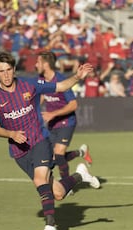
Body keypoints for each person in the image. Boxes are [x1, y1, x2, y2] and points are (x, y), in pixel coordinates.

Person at [0, 51, 100, 230]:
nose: (5, 75)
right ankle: (81, 175)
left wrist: (78, 76)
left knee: (40, 180)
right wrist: (11, 134)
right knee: (58, 193)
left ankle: (50, 227)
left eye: (8, 70)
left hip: (40, 140)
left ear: (14, 69)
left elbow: (61, 86)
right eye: (1, 71)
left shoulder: (29, 84)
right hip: (18, 151)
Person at [36, 51, 94, 184]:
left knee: (58, 154)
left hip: (66, 122)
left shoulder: (62, 81)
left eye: (38, 62)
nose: (35, 65)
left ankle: (67, 184)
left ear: (45, 64)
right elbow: (42, 97)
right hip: (52, 124)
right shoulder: (41, 80)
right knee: (53, 158)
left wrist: (52, 114)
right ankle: (81, 153)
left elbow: (73, 105)